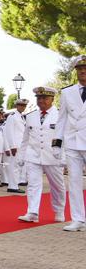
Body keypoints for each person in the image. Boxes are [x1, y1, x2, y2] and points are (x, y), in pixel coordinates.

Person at [17, 86, 66, 225]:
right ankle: (32, 212)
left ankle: (59, 210)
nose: (41, 100)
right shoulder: (31, 116)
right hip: (33, 155)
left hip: (53, 156)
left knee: (57, 185)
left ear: (52, 99)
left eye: (44, 98)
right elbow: (25, 138)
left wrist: (64, 156)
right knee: (33, 184)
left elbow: (66, 137)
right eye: (39, 98)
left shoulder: (60, 115)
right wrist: (21, 155)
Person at [55, 54, 86, 231]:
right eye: (80, 69)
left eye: (85, 69)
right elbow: (61, 119)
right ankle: (77, 219)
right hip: (73, 142)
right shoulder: (67, 92)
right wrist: (56, 145)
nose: (83, 71)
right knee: (74, 182)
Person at [3, 98, 29, 192]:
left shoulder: (22, 117)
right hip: (16, 145)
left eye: (24, 106)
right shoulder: (12, 116)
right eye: (21, 105)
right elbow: (8, 132)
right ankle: (12, 186)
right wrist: (12, 146)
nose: (23, 107)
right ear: (16, 106)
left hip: (21, 145)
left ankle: (14, 184)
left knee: (18, 166)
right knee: (14, 166)